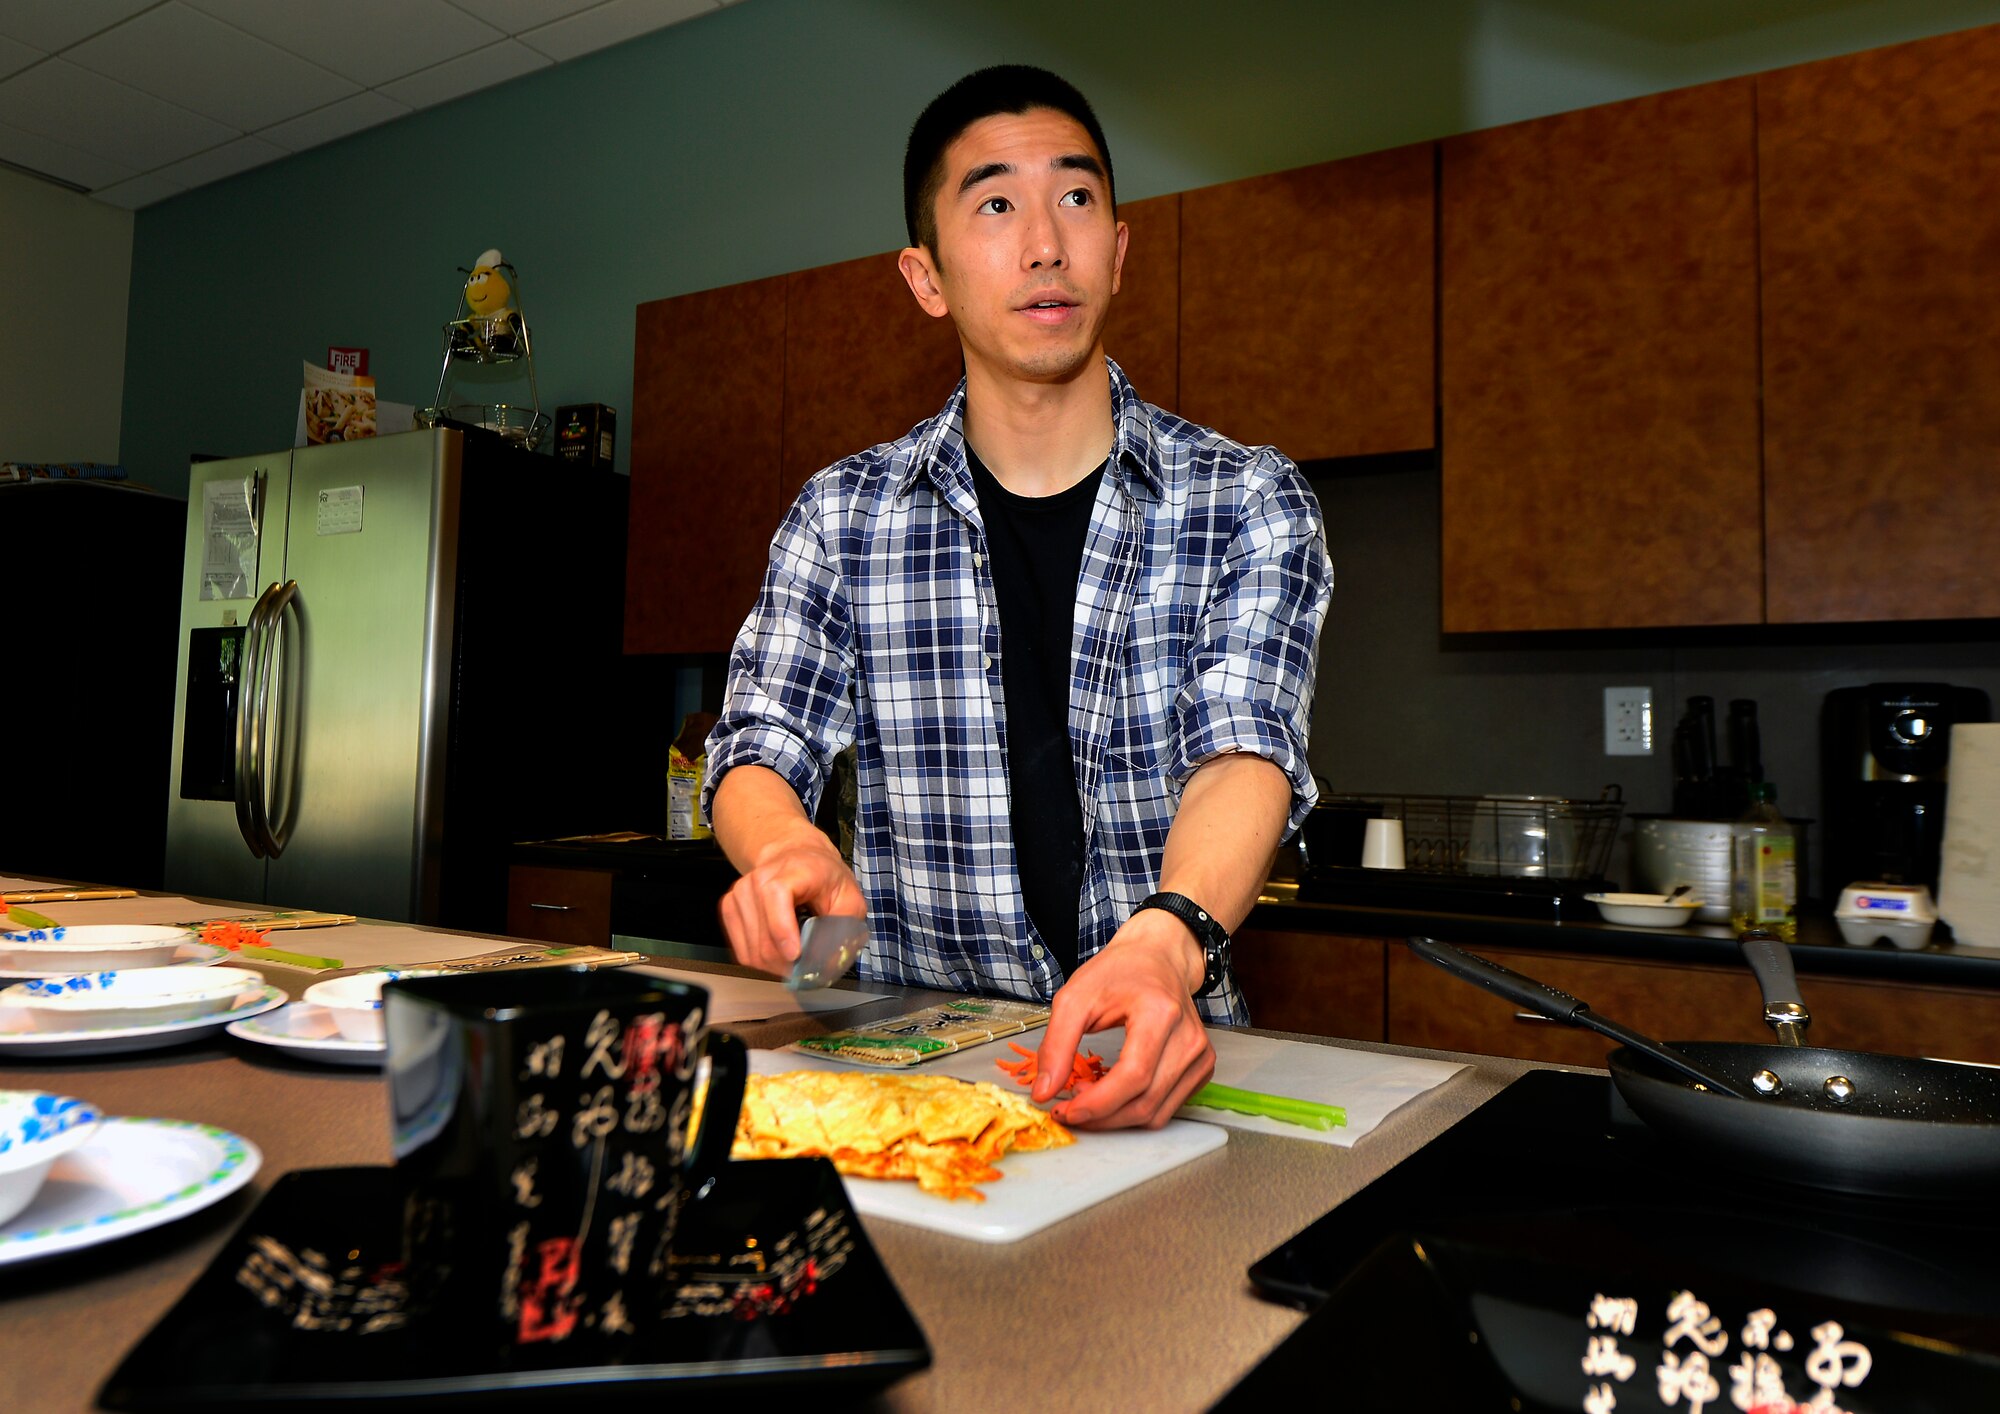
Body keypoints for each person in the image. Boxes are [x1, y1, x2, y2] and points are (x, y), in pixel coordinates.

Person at [704, 65, 1331, 1130]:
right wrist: (787, 849)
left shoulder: (1248, 499)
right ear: (925, 276)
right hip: (909, 1067)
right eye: (994, 203)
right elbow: (757, 741)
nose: (1045, 243)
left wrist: (1162, 939)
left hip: (1164, 1061)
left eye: (1076, 198)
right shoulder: (840, 514)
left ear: (1119, 250)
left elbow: (1244, 751)